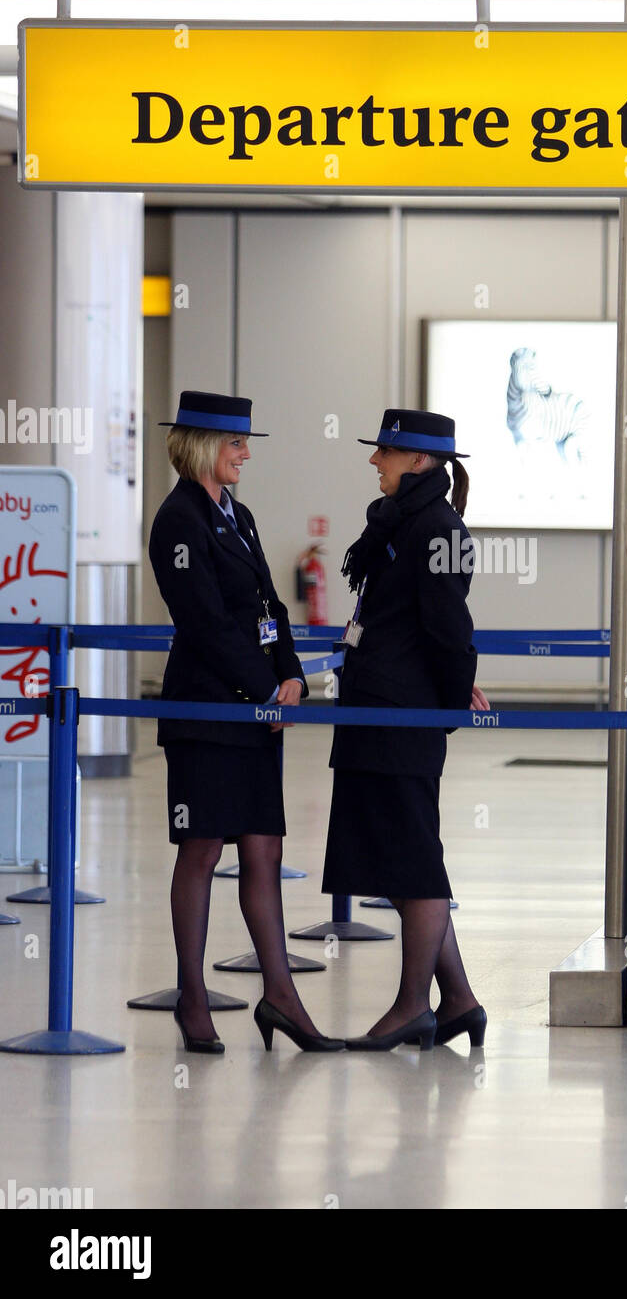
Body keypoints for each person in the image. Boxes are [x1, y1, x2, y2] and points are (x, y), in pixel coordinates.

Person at [149, 390, 343, 1054]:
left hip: (256, 708)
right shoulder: (178, 521)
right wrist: (264, 689)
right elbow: (203, 622)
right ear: (205, 446)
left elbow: (270, 608)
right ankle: (192, 995)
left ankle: (280, 995)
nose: (246, 454)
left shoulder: (241, 515)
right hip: (207, 710)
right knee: (201, 850)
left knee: (264, 848)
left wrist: (290, 679)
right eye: (237, 444)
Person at [323, 409, 488, 1051]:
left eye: (385, 452)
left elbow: (449, 626)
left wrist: (449, 699)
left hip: (402, 714)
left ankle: (412, 1006)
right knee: (396, 856)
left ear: (420, 461)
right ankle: (460, 1002)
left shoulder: (439, 528)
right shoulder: (396, 521)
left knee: (413, 859)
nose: (375, 462)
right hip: (373, 705)